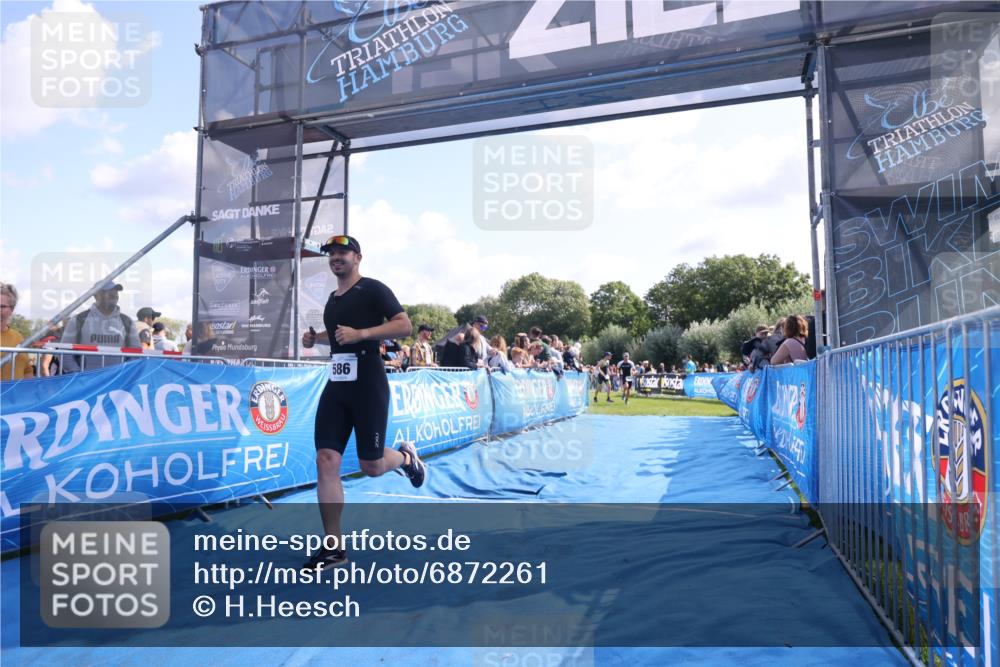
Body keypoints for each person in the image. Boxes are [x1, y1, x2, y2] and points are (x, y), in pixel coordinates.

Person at [300, 234, 424, 571]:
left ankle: (404, 457)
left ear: (358, 257)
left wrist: (362, 335)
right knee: (326, 459)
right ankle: (334, 548)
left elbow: (404, 325)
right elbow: (340, 332)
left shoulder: (372, 289)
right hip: (337, 387)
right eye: (332, 254)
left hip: (368, 385)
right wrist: (317, 338)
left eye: (343, 253)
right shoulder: (332, 298)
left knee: (371, 466)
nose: (336, 258)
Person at [60, 281, 142, 372]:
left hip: (117, 381)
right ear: (96, 295)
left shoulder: (127, 321)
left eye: (116, 291)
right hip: (88, 382)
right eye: (108, 291)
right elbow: (65, 353)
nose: (114, 294)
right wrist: (78, 375)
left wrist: (123, 373)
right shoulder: (78, 320)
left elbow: (136, 353)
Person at [0, 283, 35, 381]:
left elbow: (27, 371)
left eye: (1, 306)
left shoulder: (18, 337)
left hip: (14, 395)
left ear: (12, 309)